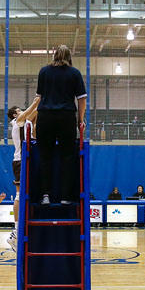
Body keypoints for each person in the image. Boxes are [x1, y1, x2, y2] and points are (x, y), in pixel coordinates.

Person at [33, 45, 87, 205]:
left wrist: (35, 121)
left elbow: (39, 98)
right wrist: (80, 120)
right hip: (66, 117)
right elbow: (82, 99)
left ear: (54, 56)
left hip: (45, 117)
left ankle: (45, 195)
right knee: (67, 157)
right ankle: (65, 197)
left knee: (45, 157)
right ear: (70, 56)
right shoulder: (74, 73)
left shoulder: (44, 71)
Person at [7, 98, 39, 248]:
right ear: (14, 115)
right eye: (19, 110)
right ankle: (15, 230)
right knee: (19, 195)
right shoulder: (17, 122)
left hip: (30, 159)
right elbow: (30, 111)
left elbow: (35, 113)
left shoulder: (27, 122)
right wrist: (37, 100)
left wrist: (43, 102)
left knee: (31, 194)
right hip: (20, 161)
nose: (22, 111)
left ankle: (27, 226)